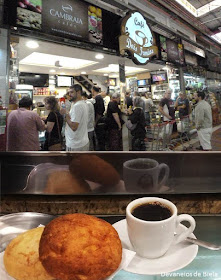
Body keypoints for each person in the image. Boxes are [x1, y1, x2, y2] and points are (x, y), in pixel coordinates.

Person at [63, 84, 89, 151]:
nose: (69, 94)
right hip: (80, 141)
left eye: (72, 92)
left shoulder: (78, 106)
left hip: (76, 144)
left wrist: (65, 115)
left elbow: (74, 127)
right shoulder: (80, 103)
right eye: (69, 92)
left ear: (78, 92)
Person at [92, 85, 105, 150]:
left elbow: (99, 112)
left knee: (100, 139)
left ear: (93, 90)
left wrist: (95, 122)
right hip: (100, 121)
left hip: (99, 122)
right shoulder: (99, 98)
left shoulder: (98, 98)